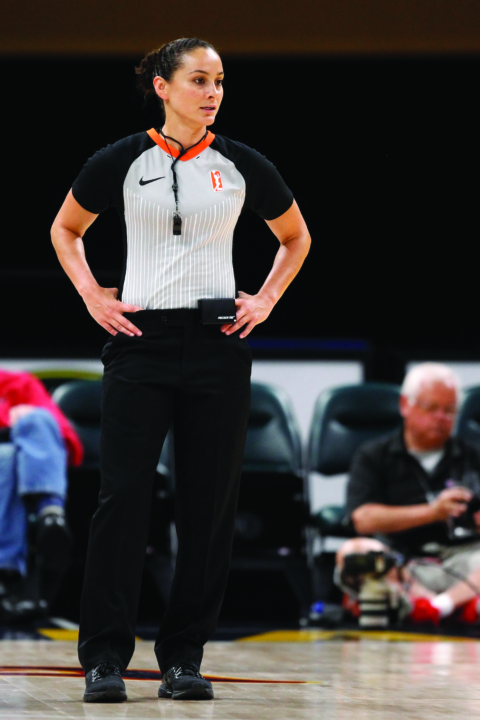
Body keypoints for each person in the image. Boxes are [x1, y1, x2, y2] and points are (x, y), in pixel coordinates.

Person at [51, 37, 310, 702]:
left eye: (219, 80)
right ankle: (104, 658)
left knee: (208, 508)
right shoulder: (120, 160)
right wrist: (91, 294)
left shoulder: (241, 163)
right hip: (141, 342)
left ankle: (182, 658)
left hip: (219, 343)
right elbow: (65, 229)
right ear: (162, 87)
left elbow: (296, 236)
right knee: (123, 503)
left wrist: (267, 298)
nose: (213, 92)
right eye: (199, 79)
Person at [336, 362, 480, 625]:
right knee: (353, 551)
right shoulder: (374, 455)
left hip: (464, 562)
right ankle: (444, 606)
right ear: (405, 405)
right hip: (402, 562)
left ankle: (435, 608)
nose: (440, 417)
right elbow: (363, 519)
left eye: (449, 411)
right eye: (431, 408)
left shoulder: (473, 456)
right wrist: (432, 512)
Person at [0, 369, 83, 615]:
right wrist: (8, 416)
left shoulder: (21, 383)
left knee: (38, 419)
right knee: (6, 457)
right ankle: (50, 510)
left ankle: (9, 573)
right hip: (15, 468)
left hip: (36, 469)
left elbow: (64, 435)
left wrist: (27, 419)